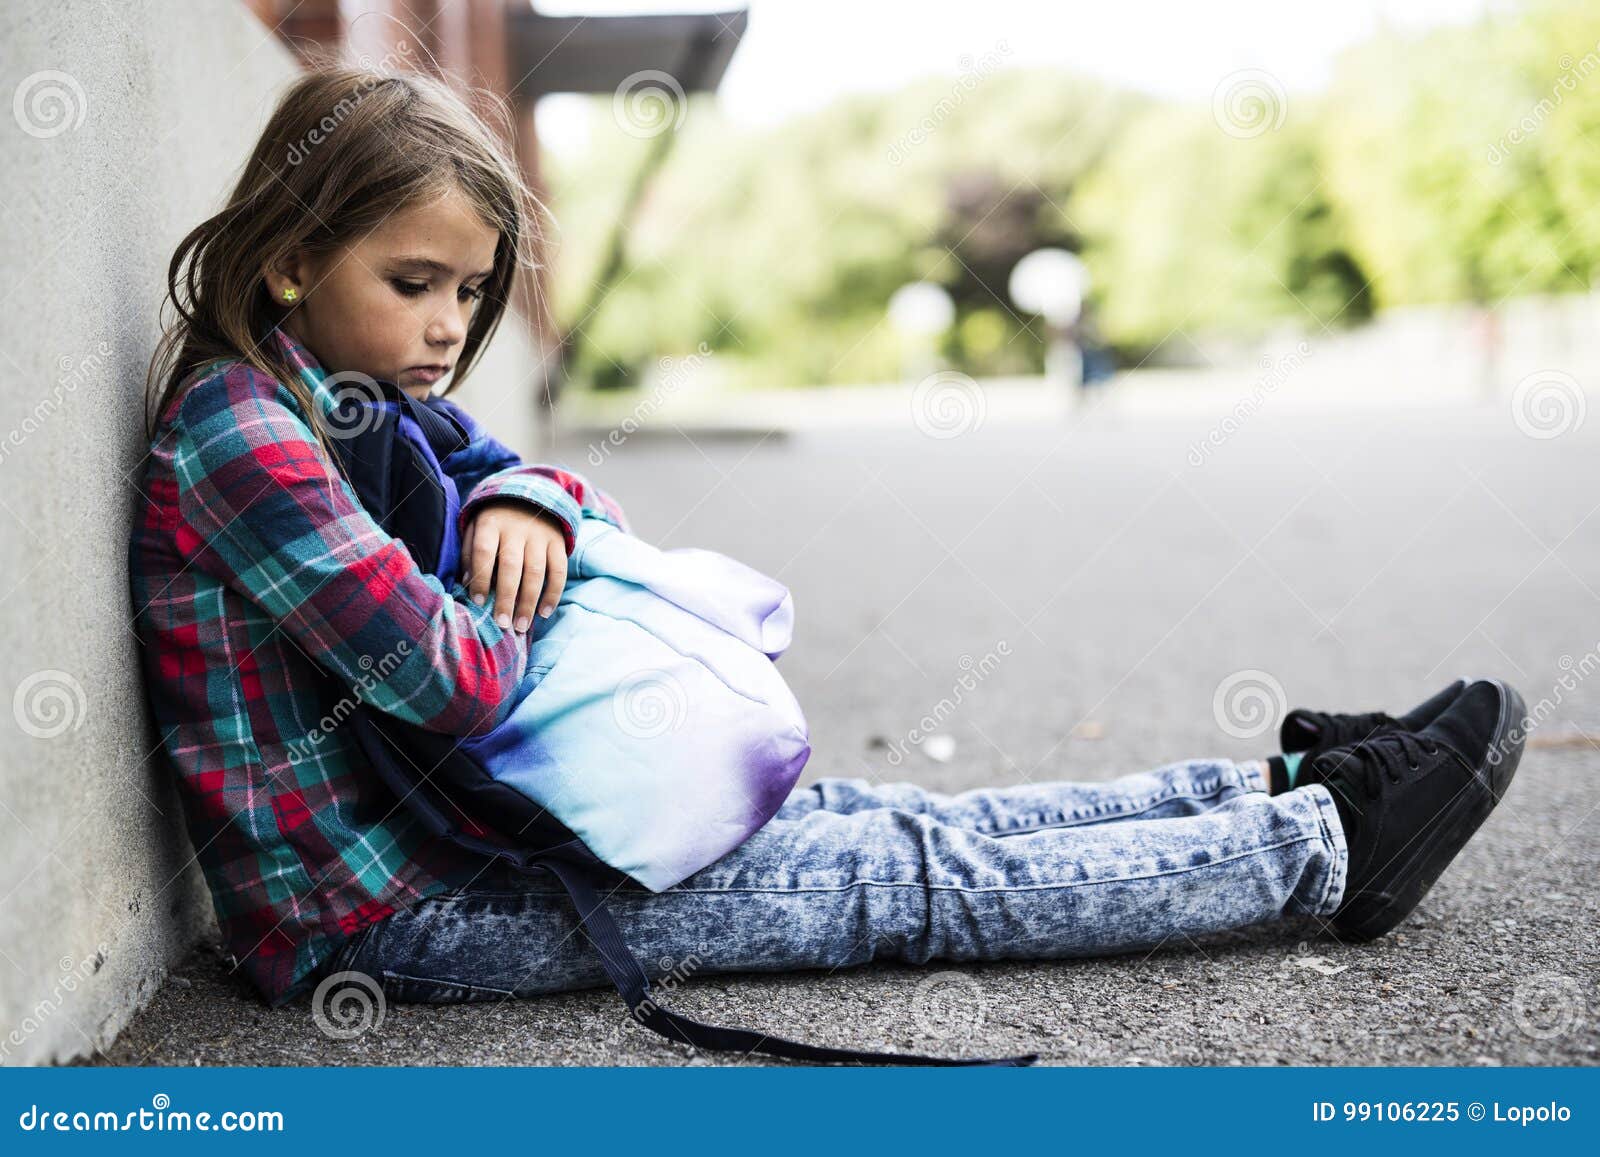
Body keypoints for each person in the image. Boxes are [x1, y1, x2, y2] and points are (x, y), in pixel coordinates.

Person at [129, 66, 1527, 1048]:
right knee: (890, 879)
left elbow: (529, 483)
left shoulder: (359, 401)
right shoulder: (242, 439)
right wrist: (535, 600)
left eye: (473, 291)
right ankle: (1323, 849)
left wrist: (536, 515)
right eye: (414, 285)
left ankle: (1276, 780)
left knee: (874, 814)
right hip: (383, 913)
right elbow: (457, 683)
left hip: (475, 835)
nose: (449, 327)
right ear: (291, 260)